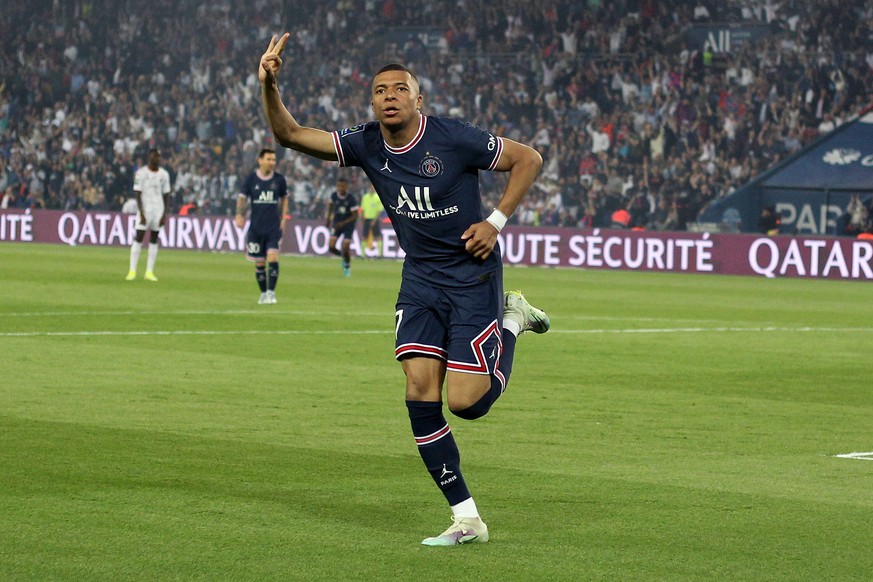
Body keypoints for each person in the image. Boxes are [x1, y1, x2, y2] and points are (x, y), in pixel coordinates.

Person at [259, 33, 550, 547]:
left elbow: (529, 158)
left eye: (400, 88)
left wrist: (497, 221)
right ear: (372, 101)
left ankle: (512, 321)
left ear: (419, 100)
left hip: (471, 276)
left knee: (465, 404)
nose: (389, 96)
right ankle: (467, 519)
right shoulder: (367, 142)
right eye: (379, 90)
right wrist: (270, 84)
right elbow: (292, 135)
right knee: (419, 391)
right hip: (420, 280)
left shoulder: (455, 138)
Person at [235, 148, 289, 304]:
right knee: (259, 263)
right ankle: (263, 293)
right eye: (269, 159)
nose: (272, 162)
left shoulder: (279, 180)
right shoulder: (251, 179)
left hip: (273, 228)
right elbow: (242, 198)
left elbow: (285, 198)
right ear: (260, 160)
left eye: (273, 160)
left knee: (273, 257)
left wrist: (284, 218)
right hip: (256, 228)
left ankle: (271, 293)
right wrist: (239, 214)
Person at [126, 149, 171, 282]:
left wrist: (164, 214)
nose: (157, 158)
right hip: (145, 210)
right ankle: (132, 270)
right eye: (154, 156)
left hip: (158, 209)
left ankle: (149, 272)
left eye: (158, 156)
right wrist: (141, 212)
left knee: (154, 238)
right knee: (139, 237)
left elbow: (167, 195)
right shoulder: (141, 173)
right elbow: (138, 194)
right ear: (149, 157)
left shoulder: (164, 174)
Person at [324, 177, 359, 276]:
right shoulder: (334, 196)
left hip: (348, 225)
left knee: (345, 246)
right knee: (331, 247)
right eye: (338, 186)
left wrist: (343, 223)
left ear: (346, 187)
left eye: (342, 186)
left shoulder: (351, 199)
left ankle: (347, 266)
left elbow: (355, 215)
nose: (340, 188)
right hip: (336, 223)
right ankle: (344, 257)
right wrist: (328, 220)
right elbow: (330, 207)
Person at [360, 185, 384, 257]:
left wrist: (375, 220)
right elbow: (362, 209)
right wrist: (362, 218)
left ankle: (380, 255)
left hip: (375, 219)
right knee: (364, 236)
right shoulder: (365, 197)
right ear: (368, 188)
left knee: (378, 237)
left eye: (373, 188)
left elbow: (380, 210)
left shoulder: (377, 198)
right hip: (367, 219)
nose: (371, 189)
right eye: (370, 188)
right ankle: (362, 255)